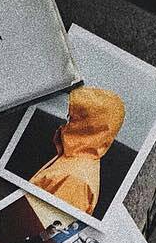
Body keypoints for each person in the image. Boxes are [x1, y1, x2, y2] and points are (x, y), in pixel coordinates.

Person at [28, 85, 126, 216]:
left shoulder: (76, 179)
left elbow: (40, 222)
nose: (66, 122)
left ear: (87, 128)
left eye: (73, 118)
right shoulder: (76, 158)